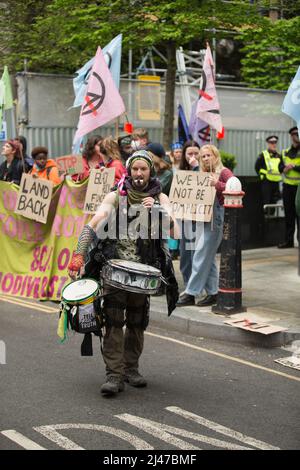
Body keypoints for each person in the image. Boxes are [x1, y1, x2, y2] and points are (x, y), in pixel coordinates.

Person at [67, 150, 179, 396]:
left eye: (144, 169)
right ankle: (114, 375)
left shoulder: (160, 196)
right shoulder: (116, 195)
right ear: (129, 171)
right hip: (114, 270)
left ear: (151, 171)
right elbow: (94, 222)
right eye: (135, 169)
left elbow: (176, 231)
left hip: (144, 272)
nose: (139, 174)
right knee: (114, 321)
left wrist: (160, 210)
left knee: (137, 323)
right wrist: (78, 254)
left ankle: (131, 369)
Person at [177, 144, 233, 307]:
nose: (206, 158)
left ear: (216, 156)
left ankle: (191, 292)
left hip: (216, 217)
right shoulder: (202, 173)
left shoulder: (224, 172)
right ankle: (213, 292)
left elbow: (236, 188)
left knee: (201, 254)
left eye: (209, 155)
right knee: (206, 256)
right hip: (203, 217)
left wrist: (218, 184)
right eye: (203, 156)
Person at [176, 140, 200, 289]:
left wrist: (197, 167)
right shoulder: (181, 172)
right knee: (184, 253)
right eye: (189, 153)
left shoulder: (202, 169)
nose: (192, 156)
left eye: (196, 153)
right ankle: (187, 283)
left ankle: (195, 285)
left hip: (199, 219)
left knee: (195, 253)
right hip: (184, 218)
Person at [278, 126, 300, 248]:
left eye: (298, 134)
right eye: (294, 135)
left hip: (299, 188)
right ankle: (288, 241)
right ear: (291, 136)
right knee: (289, 215)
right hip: (288, 187)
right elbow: (280, 168)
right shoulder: (285, 152)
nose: (296, 136)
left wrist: (293, 167)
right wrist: (285, 168)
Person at [255, 135, 281, 210]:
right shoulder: (263, 155)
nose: (274, 144)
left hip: (276, 182)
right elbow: (257, 167)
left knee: (275, 201)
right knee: (266, 201)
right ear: (268, 143)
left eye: (275, 142)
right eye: (272, 142)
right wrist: (262, 177)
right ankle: (265, 219)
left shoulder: (279, 155)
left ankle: (273, 219)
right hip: (267, 182)